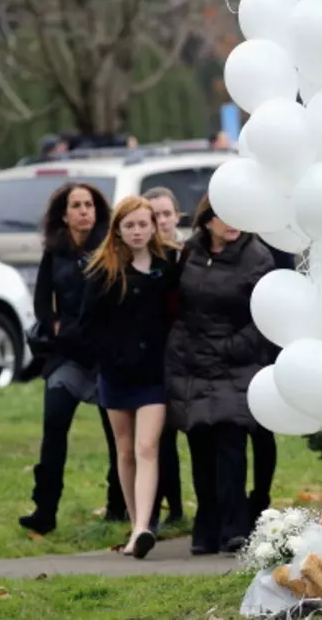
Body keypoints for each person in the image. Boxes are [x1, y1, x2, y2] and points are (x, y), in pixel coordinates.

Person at [165, 195, 277, 555]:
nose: (233, 224)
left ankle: (235, 522)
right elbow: (176, 303)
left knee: (230, 440)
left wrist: (230, 348)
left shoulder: (256, 256)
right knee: (199, 441)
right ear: (207, 219)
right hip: (192, 361)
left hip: (235, 360)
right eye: (224, 217)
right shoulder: (190, 251)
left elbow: (264, 315)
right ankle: (206, 522)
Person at [20, 182, 125, 535]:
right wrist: (53, 326)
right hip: (66, 356)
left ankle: (118, 505)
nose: (83, 211)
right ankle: (44, 510)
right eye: (76, 205)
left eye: (89, 205)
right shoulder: (56, 250)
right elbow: (41, 301)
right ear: (63, 214)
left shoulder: (109, 248)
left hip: (103, 356)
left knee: (115, 434)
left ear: (97, 212)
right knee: (54, 426)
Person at [77, 196, 179, 559]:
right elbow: (87, 326)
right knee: (124, 450)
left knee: (147, 447)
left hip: (154, 373)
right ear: (117, 229)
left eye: (143, 224)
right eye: (129, 225)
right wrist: (110, 357)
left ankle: (142, 527)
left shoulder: (168, 264)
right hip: (116, 374)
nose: (137, 231)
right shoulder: (102, 269)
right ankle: (137, 525)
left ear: (154, 226)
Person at [141, 187, 185, 527]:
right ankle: (163, 506)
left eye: (166, 214)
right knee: (160, 436)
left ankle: (180, 507)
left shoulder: (189, 254)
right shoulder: (145, 260)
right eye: (153, 216)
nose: (161, 221)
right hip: (154, 356)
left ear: (177, 216)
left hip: (188, 352)